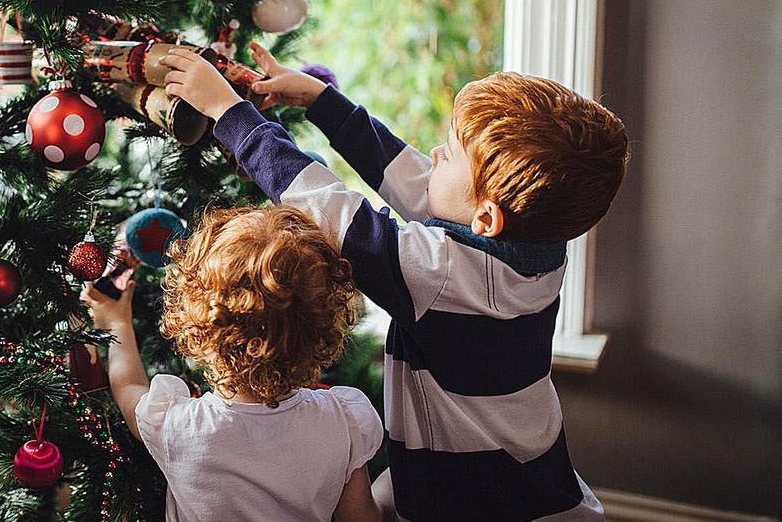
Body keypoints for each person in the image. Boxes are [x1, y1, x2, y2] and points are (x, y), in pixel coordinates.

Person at [158, 43, 628, 520]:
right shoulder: (536, 244)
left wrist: (228, 112)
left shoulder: (443, 276)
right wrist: (322, 101)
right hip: (529, 465)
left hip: (472, 492)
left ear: (486, 218)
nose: (434, 153)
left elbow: (327, 206)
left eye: (451, 154)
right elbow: (412, 177)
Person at [81, 205, 384, 522]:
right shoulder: (343, 421)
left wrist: (117, 324)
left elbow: (129, 387)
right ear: (322, 328)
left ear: (200, 329)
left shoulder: (181, 425)